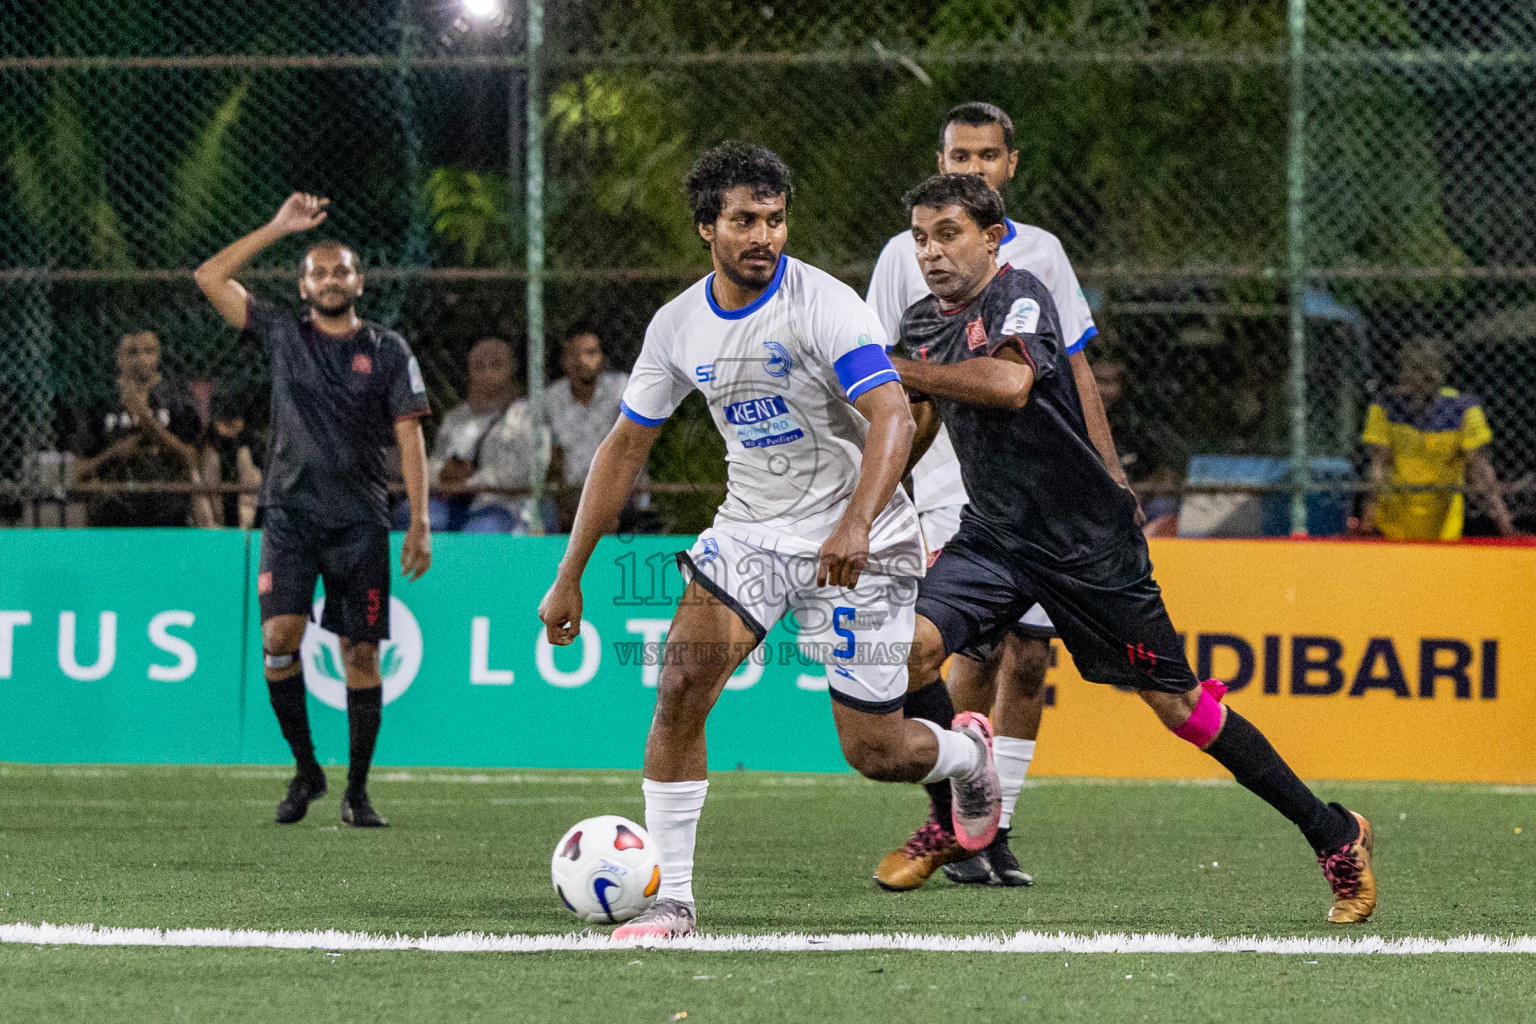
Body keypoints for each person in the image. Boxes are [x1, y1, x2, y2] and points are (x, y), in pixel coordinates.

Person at [538, 143, 1003, 940]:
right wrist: (568, 573)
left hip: (865, 534)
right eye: (745, 220)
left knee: (875, 750)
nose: (764, 235)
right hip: (751, 532)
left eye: (776, 219)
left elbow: (892, 414)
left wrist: (855, 520)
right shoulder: (678, 325)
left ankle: (967, 759)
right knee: (681, 685)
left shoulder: (826, 304)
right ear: (705, 229)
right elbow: (623, 447)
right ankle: (673, 902)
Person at [891, 172, 1376, 924]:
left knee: (1179, 707)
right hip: (993, 533)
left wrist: (903, 372)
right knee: (913, 650)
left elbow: (1012, 381)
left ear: (991, 238)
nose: (931, 252)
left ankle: (1334, 832)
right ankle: (956, 816)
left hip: (1088, 544)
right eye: (921, 237)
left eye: (948, 233)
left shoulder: (1021, 293)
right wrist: (871, 495)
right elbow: (914, 420)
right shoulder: (921, 324)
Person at [866, 102, 1127, 890]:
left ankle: (996, 827)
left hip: (1044, 485)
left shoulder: (1041, 253)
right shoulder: (902, 255)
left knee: (1032, 655)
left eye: (985, 155)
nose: (971, 168)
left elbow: (1075, 368)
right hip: (952, 480)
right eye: (958, 156)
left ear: (1010, 164)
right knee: (968, 652)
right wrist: (882, 489)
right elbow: (882, 374)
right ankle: (961, 815)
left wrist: (1109, 474)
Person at [194, 193, 433, 829]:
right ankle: (307, 770)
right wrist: (277, 225)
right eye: (318, 272)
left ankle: (357, 792)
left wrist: (419, 521)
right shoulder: (280, 334)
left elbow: (410, 436)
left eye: (341, 270)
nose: (331, 280)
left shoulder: (388, 350)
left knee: (360, 654)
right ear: (303, 286)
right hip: (290, 515)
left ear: (359, 281)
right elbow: (208, 277)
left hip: (359, 521)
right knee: (279, 640)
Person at [1360, 337, 1516, 540]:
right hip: (1392, 525)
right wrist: (1367, 517)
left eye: (1427, 371)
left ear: (1442, 372)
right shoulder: (1384, 407)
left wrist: (1503, 520)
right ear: (1402, 373)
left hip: (1444, 526)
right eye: (1414, 369)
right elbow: (1378, 465)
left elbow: (1480, 468)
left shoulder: (1463, 409)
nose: (1419, 379)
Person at [71, 330, 210, 527]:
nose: (141, 359)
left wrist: (146, 421)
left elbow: (191, 458)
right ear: (119, 358)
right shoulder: (100, 400)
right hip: (113, 504)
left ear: (158, 355)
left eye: (149, 351)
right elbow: (78, 470)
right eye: (132, 352)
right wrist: (115, 453)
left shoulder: (175, 395)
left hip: (167, 502)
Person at [415, 336, 552, 533]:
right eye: (479, 366)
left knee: (481, 530)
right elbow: (436, 461)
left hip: (506, 507)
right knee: (410, 516)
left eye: (496, 365)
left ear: (511, 371)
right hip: (452, 503)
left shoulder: (528, 416)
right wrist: (443, 473)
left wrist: (470, 481)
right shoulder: (456, 417)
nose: (487, 373)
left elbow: (529, 471)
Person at [545, 328, 652, 532]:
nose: (582, 361)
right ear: (563, 361)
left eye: (590, 353)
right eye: (573, 354)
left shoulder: (622, 389)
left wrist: (610, 508)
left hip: (621, 492)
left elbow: (635, 447)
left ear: (601, 358)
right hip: (570, 495)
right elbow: (552, 460)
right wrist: (563, 504)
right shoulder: (551, 400)